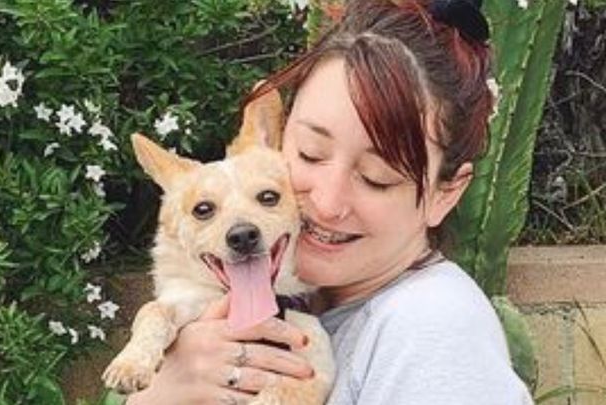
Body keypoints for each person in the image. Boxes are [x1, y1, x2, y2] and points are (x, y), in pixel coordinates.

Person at [126, 0, 534, 403]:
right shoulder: (303, 300)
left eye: (377, 178)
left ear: (445, 194)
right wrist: (161, 393)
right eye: (310, 154)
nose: (326, 202)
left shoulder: (434, 329)